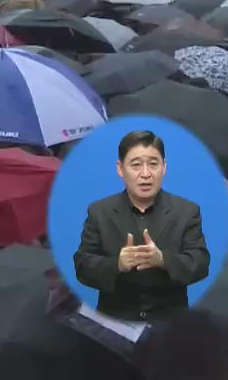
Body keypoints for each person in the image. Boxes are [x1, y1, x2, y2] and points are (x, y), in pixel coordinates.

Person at [73, 130, 211, 321]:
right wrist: (117, 264)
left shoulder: (186, 211)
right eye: (136, 165)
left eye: (153, 164)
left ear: (164, 167)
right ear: (120, 169)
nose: (145, 174)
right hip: (115, 322)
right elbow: (83, 265)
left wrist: (163, 260)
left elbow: (200, 263)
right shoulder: (99, 211)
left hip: (170, 324)